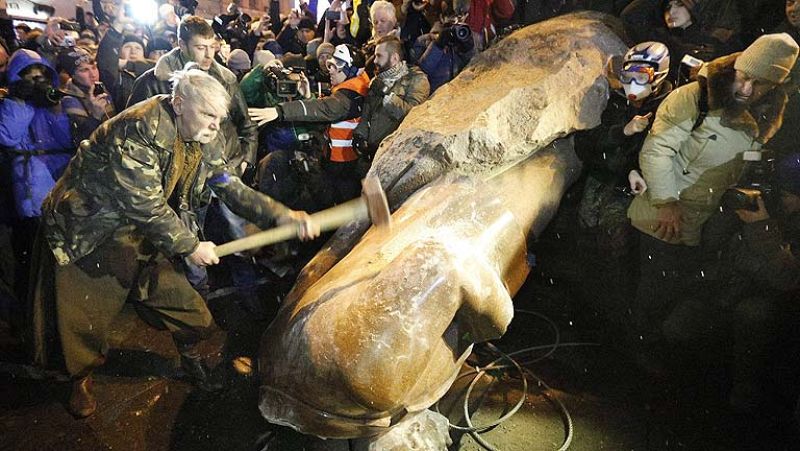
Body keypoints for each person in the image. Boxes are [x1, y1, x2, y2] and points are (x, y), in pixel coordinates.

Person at [34, 67, 319, 419]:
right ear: (179, 103)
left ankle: (192, 360)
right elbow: (145, 204)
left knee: (191, 312)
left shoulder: (203, 134)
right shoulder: (139, 128)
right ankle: (77, 378)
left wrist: (281, 216)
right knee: (81, 325)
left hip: (145, 234)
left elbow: (228, 185)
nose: (216, 126)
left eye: (220, 118)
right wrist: (190, 246)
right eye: (208, 115)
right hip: (91, 233)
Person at [626, 33, 799, 366]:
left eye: (760, 84)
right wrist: (667, 202)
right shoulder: (696, 97)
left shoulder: (766, 118)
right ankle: (638, 354)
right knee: (653, 291)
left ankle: (659, 351)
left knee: (676, 289)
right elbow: (658, 150)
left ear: (775, 86)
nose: (746, 89)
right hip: (662, 218)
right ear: (735, 65)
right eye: (744, 76)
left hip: (705, 224)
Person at [574, 42, 673, 336]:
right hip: (601, 183)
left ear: (658, 76)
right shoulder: (617, 103)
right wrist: (623, 131)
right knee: (587, 244)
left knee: (618, 254)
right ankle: (588, 316)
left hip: (628, 195)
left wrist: (633, 167)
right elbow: (587, 145)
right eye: (628, 75)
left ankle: (619, 325)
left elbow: (658, 157)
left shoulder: (666, 110)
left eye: (641, 76)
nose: (632, 84)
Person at [251, 44, 371, 210]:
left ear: (351, 70)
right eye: (330, 65)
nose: (331, 70)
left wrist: (280, 111)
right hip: (336, 164)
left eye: (335, 67)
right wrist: (308, 96)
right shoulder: (351, 90)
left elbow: (324, 108)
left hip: (343, 171)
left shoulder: (349, 98)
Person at [0, 49, 73, 322]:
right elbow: (7, 136)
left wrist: (54, 106)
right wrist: (22, 99)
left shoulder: (49, 104)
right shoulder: (12, 104)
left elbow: (62, 138)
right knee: (32, 258)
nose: (37, 82)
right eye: (30, 77)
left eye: (41, 76)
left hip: (59, 183)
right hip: (31, 190)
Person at [353, 35, 430, 161]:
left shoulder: (416, 80)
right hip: (372, 153)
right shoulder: (377, 81)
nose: (374, 61)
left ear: (394, 58)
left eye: (379, 56)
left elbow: (413, 116)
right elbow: (367, 113)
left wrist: (387, 94)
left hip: (396, 155)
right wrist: (360, 135)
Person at [58, 47, 115, 143]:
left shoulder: (102, 88)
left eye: (94, 67)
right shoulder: (68, 100)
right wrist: (95, 116)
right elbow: (79, 140)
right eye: (84, 70)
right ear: (73, 75)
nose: (93, 74)